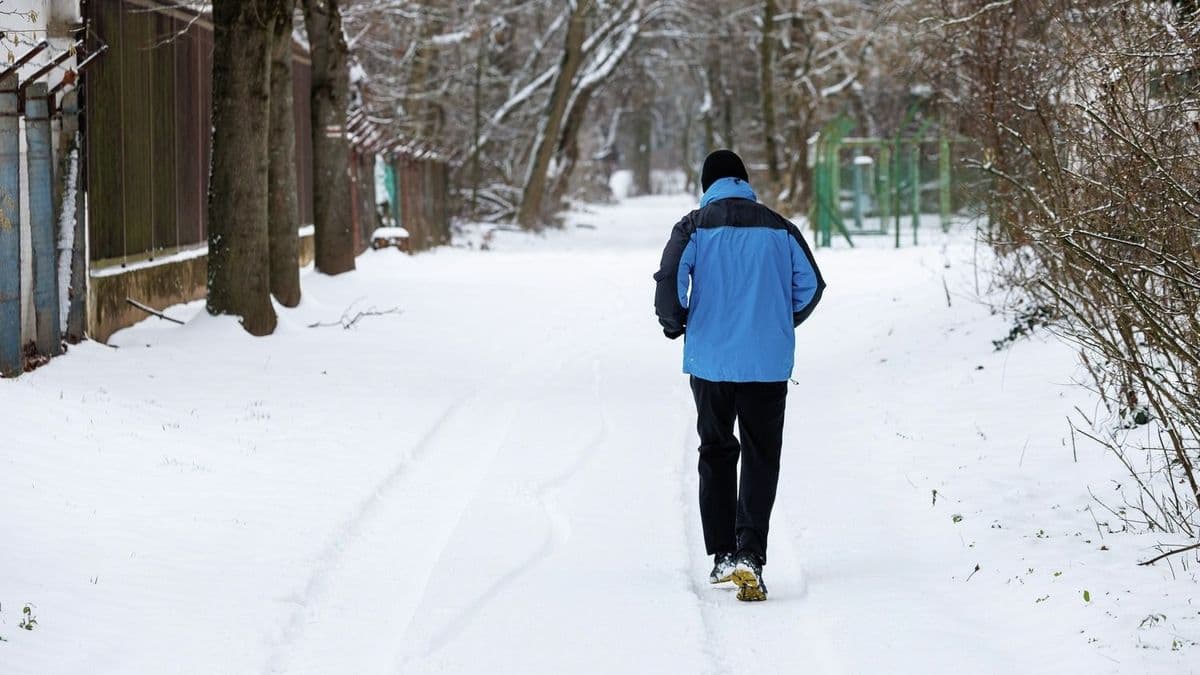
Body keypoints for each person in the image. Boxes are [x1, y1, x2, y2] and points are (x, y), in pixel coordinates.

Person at [653, 149, 825, 601]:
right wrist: (776, 323)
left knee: (716, 450)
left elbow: (670, 277)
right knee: (761, 453)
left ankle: (722, 555)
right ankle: (751, 553)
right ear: (745, 182)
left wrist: (676, 323)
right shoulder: (780, 228)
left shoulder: (693, 226)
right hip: (766, 364)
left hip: (710, 362)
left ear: (707, 183)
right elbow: (811, 285)